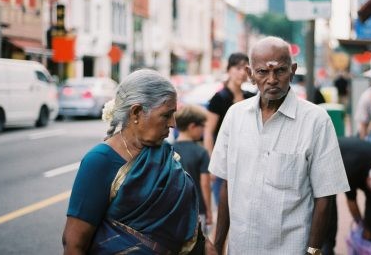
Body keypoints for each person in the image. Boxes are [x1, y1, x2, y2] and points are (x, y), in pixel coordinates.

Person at [209, 36, 350, 255]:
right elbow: (228, 183)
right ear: (250, 74)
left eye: (280, 71)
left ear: (293, 71)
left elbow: (326, 196)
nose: (272, 79)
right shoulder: (234, 116)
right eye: (263, 72)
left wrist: (313, 251)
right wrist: (218, 245)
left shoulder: (316, 120)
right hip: (241, 248)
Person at [62, 69, 216, 255]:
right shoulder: (100, 161)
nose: (173, 123)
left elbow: (189, 229)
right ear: (136, 113)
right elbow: (74, 244)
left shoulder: (165, 155)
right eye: (166, 115)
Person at [204, 52, 255, 205]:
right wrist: (212, 162)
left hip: (247, 160)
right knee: (223, 207)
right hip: (223, 159)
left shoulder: (251, 97)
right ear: (229, 70)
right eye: (237, 68)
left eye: (245, 68)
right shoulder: (218, 98)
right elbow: (208, 132)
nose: (241, 72)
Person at [174, 105, 212, 234]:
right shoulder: (201, 152)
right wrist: (209, 211)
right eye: (202, 126)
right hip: (197, 209)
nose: (203, 130)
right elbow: (205, 184)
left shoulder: (168, 149)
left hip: (174, 208)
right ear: (192, 126)